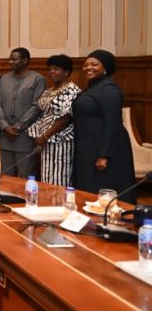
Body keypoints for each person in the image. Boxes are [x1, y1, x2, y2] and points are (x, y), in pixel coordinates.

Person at [72, 50, 136, 203]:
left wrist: (104, 155)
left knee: (103, 187)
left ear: (105, 68)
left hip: (105, 148)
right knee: (88, 186)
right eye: (86, 64)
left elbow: (112, 123)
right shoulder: (93, 87)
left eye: (94, 64)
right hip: (89, 146)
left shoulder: (108, 90)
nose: (88, 67)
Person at [27, 55, 81, 186]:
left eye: (56, 69)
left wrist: (45, 136)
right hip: (45, 141)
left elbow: (66, 118)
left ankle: (59, 199)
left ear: (66, 71)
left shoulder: (71, 90)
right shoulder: (48, 91)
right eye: (50, 69)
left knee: (59, 176)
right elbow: (43, 113)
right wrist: (39, 135)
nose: (51, 72)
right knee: (47, 175)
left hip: (61, 140)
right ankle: (48, 198)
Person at [0, 47, 45, 177]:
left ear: (25, 60)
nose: (10, 62)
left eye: (14, 59)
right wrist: (5, 126)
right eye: (10, 59)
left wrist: (18, 126)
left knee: (25, 177)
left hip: (25, 137)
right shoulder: (4, 78)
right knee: (6, 178)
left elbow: (36, 106)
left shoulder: (37, 79)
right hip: (6, 137)